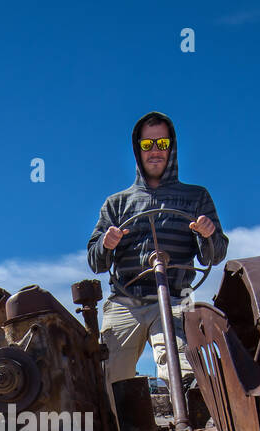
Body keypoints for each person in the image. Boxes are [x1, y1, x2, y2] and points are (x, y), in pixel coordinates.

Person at [87, 110, 229, 389]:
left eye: (162, 144)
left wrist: (207, 234)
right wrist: (106, 243)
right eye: (147, 144)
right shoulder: (116, 203)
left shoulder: (196, 197)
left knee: (181, 363)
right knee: (107, 378)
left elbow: (215, 254)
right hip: (125, 301)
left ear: (171, 148)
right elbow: (95, 261)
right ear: (137, 150)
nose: (155, 151)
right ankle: (118, 428)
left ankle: (193, 411)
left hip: (175, 297)